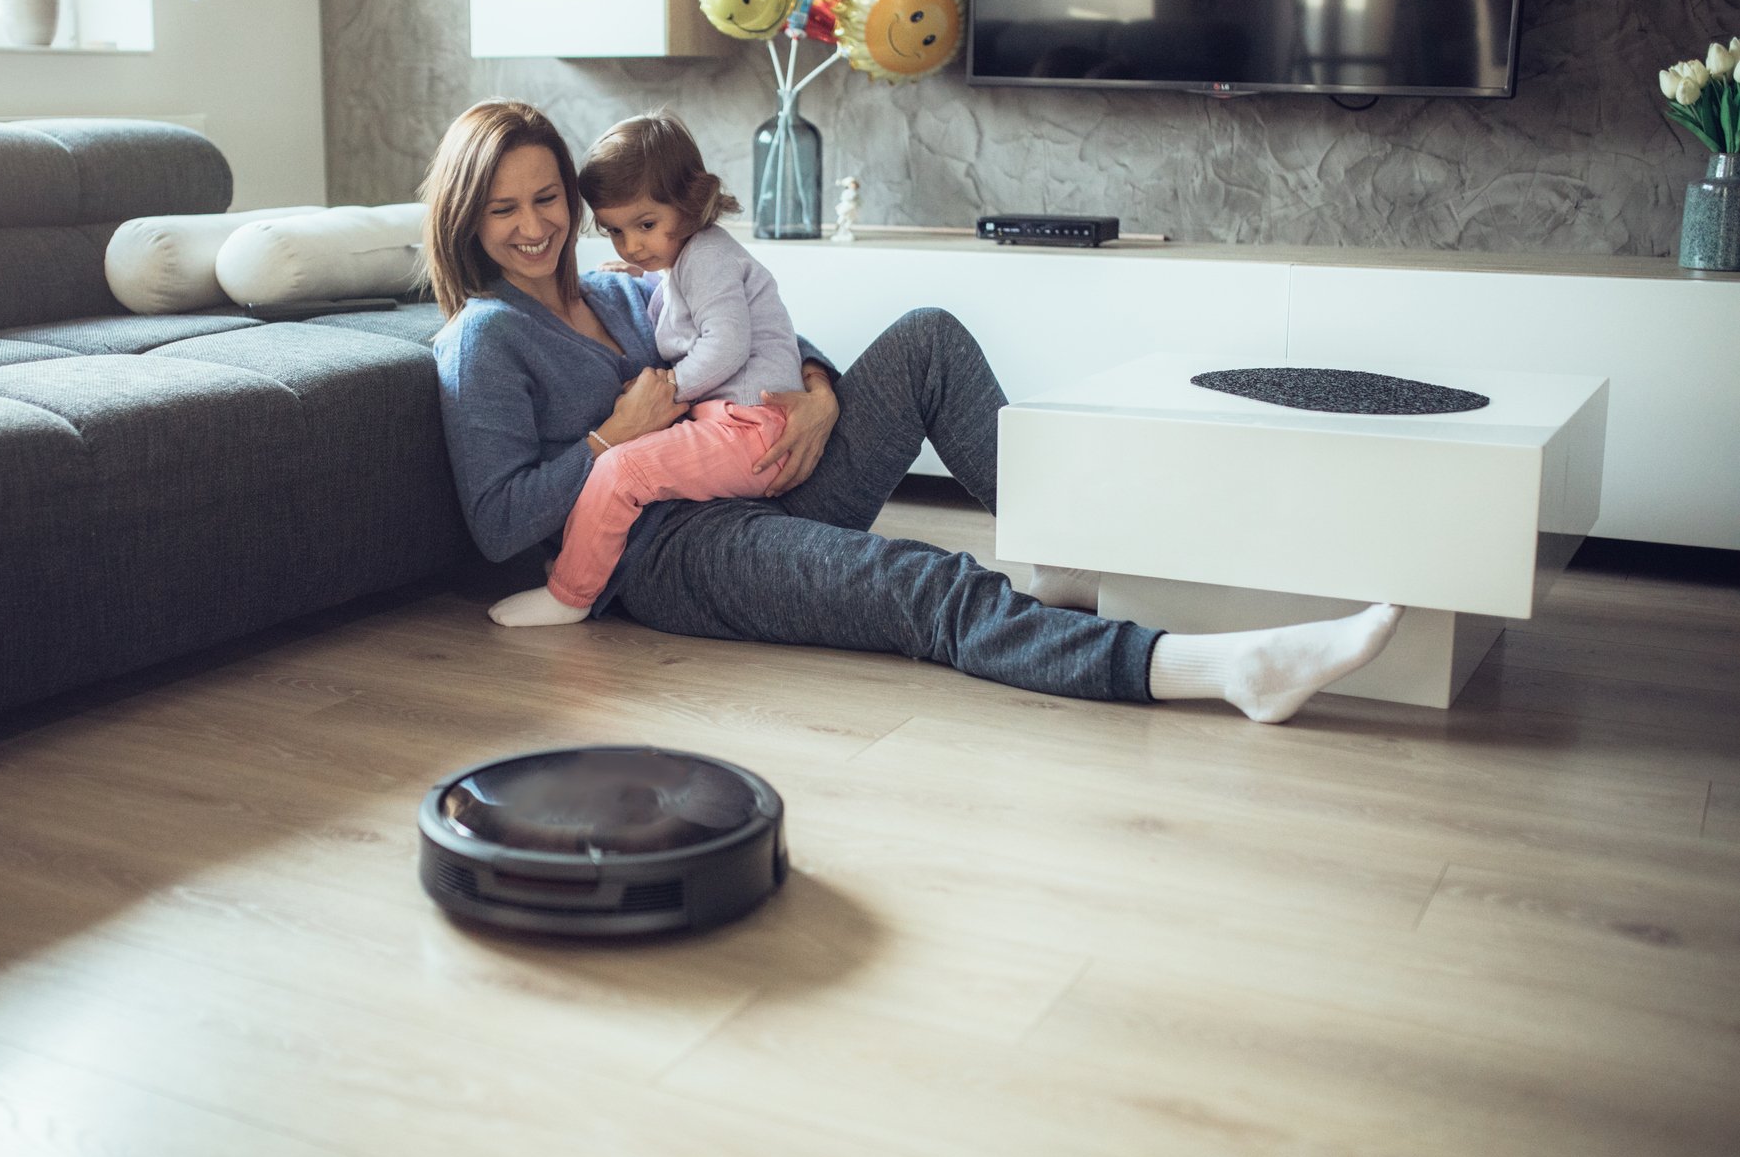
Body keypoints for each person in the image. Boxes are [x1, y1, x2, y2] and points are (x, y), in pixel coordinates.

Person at [424, 99, 1402, 724]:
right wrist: (611, 437)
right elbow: (501, 520)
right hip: (676, 553)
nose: (532, 225)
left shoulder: (625, 287)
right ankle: (1202, 666)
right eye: (504, 208)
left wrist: (819, 392)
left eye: (545, 196)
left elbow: (756, 336)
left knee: (929, 334)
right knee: (914, 581)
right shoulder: (489, 339)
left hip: (767, 473)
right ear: (468, 217)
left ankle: (1063, 553)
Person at [486, 111, 803, 628]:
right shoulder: (681, 265)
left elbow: (727, 341)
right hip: (740, 429)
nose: (631, 246)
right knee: (626, 466)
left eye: (646, 226)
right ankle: (583, 565)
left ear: (690, 202)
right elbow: (693, 315)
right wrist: (646, 276)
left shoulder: (705, 258)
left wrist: (672, 387)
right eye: (614, 231)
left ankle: (570, 594)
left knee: (622, 468)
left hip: (749, 427)